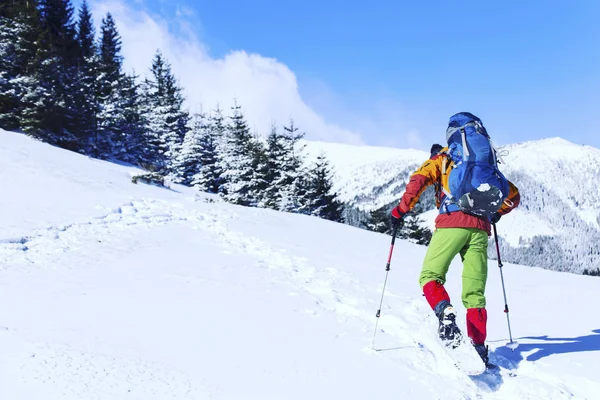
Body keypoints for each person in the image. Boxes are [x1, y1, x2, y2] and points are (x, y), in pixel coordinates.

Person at [390, 130, 520, 367]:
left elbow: (417, 182)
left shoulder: (439, 160)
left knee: (430, 275)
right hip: (480, 228)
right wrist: (496, 213)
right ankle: (479, 347)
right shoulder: (483, 166)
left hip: (451, 224)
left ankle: (445, 312)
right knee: (475, 292)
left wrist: (400, 211)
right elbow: (513, 197)